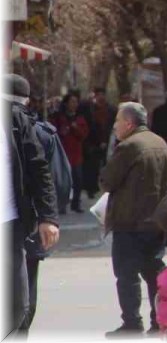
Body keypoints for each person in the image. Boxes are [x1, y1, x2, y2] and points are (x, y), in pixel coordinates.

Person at [100, 103, 167, 338]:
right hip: (156, 222)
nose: (114, 126)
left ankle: (132, 323)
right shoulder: (161, 143)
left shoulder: (129, 146)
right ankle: (158, 320)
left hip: (129, 222)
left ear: (129, 123)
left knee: (127, 275)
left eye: (117, 121)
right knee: (153, 272)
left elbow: (107, 180)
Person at [3, 74, 59, 338]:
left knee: (18, 304)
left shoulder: (14, 119)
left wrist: (48, 217)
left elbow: (38, 168)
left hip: (10, 224)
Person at [52, 93, 87, 213]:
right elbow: (54, 132)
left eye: (76, 102)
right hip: (63, 153)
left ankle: (76, 203)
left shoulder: (80, 118)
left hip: (76, 154)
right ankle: (62, 204)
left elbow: (84, 134)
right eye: (72, 102)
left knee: (78, 180)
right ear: (66, 103)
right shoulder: (59, 118)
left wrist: (75, 127)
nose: (74, 104)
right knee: (63, 181)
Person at [84, 88, 115, 200]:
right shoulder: (90, 110)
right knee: (93, 166)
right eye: (99, 95)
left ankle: (106, 187)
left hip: (108, 141)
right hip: (93, 143)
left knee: (107, 165)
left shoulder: (111, 110)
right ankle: (92, 188)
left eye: (103, 95)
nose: (101, 97)